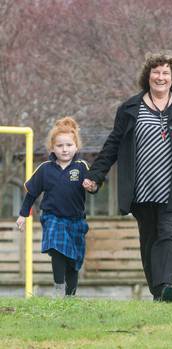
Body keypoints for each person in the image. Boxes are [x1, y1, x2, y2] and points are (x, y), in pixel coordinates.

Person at [82, 52, 172, 302]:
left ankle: (166, 285)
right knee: (149, 238)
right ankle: (158, 292)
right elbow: (113, 144)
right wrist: (96, 175)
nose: (160, 77)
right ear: (147, 76)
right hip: (141, 187)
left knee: (169, 233)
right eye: (156, 72)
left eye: (166, 72)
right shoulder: (130, 108)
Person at [16, 117, 91, 298]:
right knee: (57, 248)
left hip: (76, 220)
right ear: (52, 148)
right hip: (53, 217)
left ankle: (70, 296)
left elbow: (94, 188)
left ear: (76, 147)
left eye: (69, 145)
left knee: (73, 259)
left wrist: (93, 186)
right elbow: (31, 193)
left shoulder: (81, 167)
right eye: (60, 146)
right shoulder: (45, 168)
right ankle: (58, 288)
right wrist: (22, 214)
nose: (64, 149)